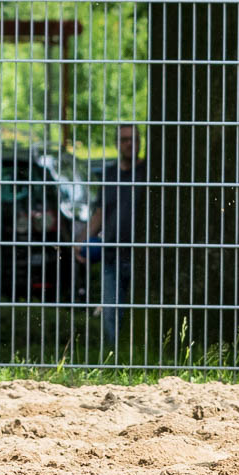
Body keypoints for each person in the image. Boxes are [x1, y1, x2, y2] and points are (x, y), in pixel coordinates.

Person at [75, 122, 145, 347]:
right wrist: (82, 240)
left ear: (139, 142)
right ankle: (114, 358)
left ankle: (140, 354)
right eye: (124, 139)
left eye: (132, 139)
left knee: (141, 311)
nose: (128, 144)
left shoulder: (150, 172)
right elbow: (100, 212)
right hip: (112, 255)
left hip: (143, 256)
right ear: (117, 144)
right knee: (110, 313)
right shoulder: (110, 174)